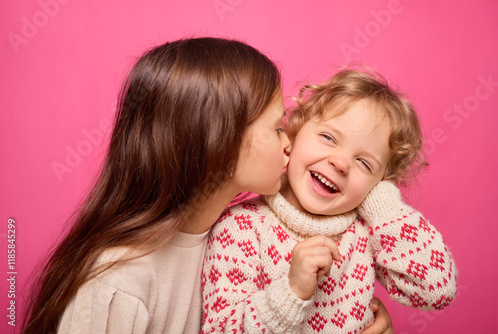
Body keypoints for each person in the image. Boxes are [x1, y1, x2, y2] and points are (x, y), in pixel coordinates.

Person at [23, 38, 393, 334]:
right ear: (221, 141)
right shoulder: (120, 285)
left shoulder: (239, 239)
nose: (290, 144)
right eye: (277, 127)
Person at [201, 67, 458, 333]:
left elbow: (436, 290)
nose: (341, 163)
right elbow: (219, 328)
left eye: (364, 163)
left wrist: (384, 206)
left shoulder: (367, 234)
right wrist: (293, 291)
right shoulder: (240, 227)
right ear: (294, 131)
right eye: (328, 138)